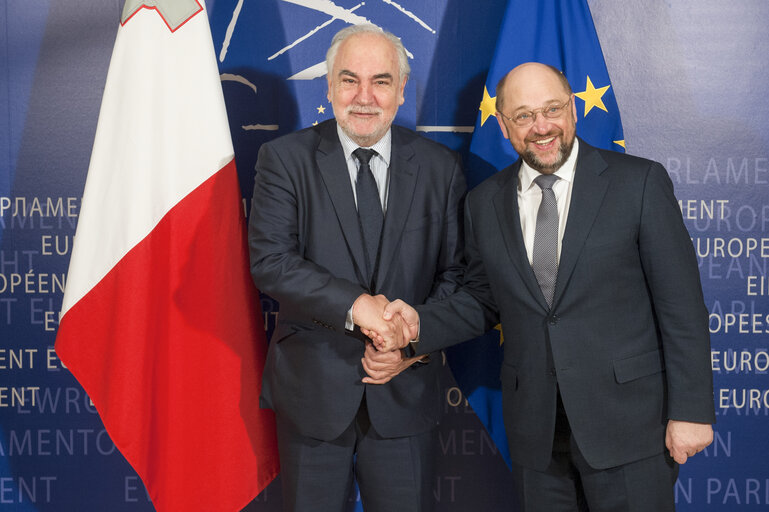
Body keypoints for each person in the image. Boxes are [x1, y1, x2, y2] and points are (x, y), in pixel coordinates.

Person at [367, 62, 715, 511]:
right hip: (537, 435)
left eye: (552, 109)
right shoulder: (484, 202)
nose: (542, 127)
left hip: (631, 428)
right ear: (504, 125)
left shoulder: (638, 184)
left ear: (573, 110)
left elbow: (682, 308)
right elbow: (481, 299)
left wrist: (691, 412)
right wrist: (415, 326)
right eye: (525, 115)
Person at [247, 24, 466, 512]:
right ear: (328, 86)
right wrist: (357, 307)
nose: (364, 97)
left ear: (402, 89)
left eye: (381, 81)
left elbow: (457, 278)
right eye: (349, 80)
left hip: (405, 394)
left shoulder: (439, 168)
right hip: (312, 398)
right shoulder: (284, 160)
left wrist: (411, 345)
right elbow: (272, 263)